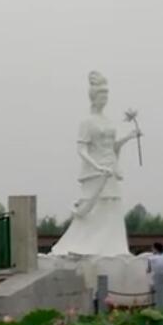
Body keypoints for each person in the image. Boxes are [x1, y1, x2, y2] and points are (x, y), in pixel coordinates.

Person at [50, 71, 141, 256]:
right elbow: (81, 149)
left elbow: (112, 146)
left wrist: (129, 137)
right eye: (101, 94)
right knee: (96, 206)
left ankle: (113, 247)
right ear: (93, 96)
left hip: (110, 169)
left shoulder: (107, 121)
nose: (105, 98)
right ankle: (91, 245)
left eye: (106, 94)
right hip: (95, 172)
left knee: (112, 205)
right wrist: (96, 166)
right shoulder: (87, 122)